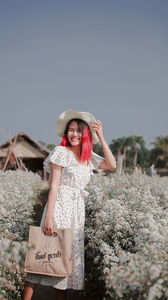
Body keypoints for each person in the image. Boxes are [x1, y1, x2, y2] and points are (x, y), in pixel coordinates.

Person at [23, 109, 116, 300]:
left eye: (79, 130)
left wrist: (101, 137)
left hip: (76, 211)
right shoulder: (60, 152)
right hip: (59, 207)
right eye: (71, 130)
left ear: (85, 134)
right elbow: (54, 185)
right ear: (66, 133)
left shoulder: (88, 157)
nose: (74, 134)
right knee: (42, 253)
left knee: (64, 260)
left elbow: (112, 165)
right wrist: (48, 216)